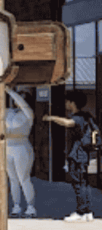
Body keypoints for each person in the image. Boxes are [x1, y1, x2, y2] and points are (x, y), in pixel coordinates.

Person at [43, 90, 96, 222]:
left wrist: (51, 118)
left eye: (67, 101)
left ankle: (81, 212)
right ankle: (87, 212)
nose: (66, 104)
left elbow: (67, 123)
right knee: (83, 183)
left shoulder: (78, 117)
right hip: (83, 154)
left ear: (72, 103)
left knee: (78, 183)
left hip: (77, 155)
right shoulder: (86, 116)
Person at [6, 88, 36, 217]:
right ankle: (16, 205)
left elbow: (23, 105)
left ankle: (31, 206)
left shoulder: (28, 113)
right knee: (13, 179)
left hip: (22, 146)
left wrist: (9, 91)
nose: (17, 101)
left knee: (24, 178)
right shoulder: (8, 112)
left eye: (22, 98)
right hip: (8, 147)